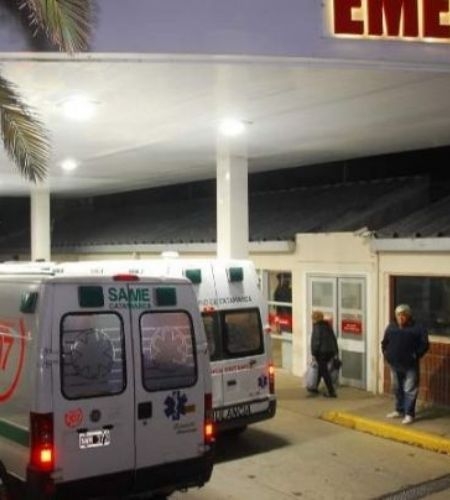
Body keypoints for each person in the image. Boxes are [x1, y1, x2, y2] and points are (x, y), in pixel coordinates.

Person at [381, 304, 429, 425]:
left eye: (403, 315)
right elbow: (385, 342)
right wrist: (386, 354)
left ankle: (409, 414)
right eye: (398, 315)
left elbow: (424, 344)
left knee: (410, 389)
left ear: (408, 316)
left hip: (410, 365)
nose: (400, 318)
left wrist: (416, 355)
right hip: (394, 364)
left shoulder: (417, 328)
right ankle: (399, 410)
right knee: (397, 388)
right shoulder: (391, 327)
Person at [310, 310, 339, 398]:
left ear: (315, 319)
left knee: (324, 372)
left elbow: (316, 341)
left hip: (321, 353)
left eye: (313, 318)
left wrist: (314, 353)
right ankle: (314, 387)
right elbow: (333, 339)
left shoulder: (317, 327)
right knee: (321, 369)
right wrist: (335, 352)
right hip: (329, 352)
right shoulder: (327, 326)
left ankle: (331, 392)